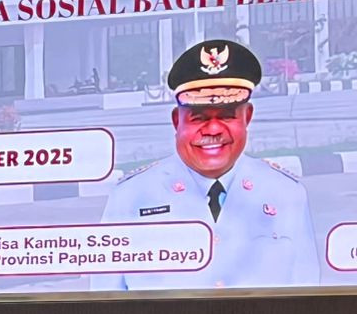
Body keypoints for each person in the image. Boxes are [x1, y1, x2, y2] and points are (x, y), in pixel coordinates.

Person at [99, 39, 319, 290]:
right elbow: (106, 300)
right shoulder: (131, 197)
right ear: (176, 121)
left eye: (227, 116)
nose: (213, 129)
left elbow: (307, 293)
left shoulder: (286, 193)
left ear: (247, 118)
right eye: (198, 118)